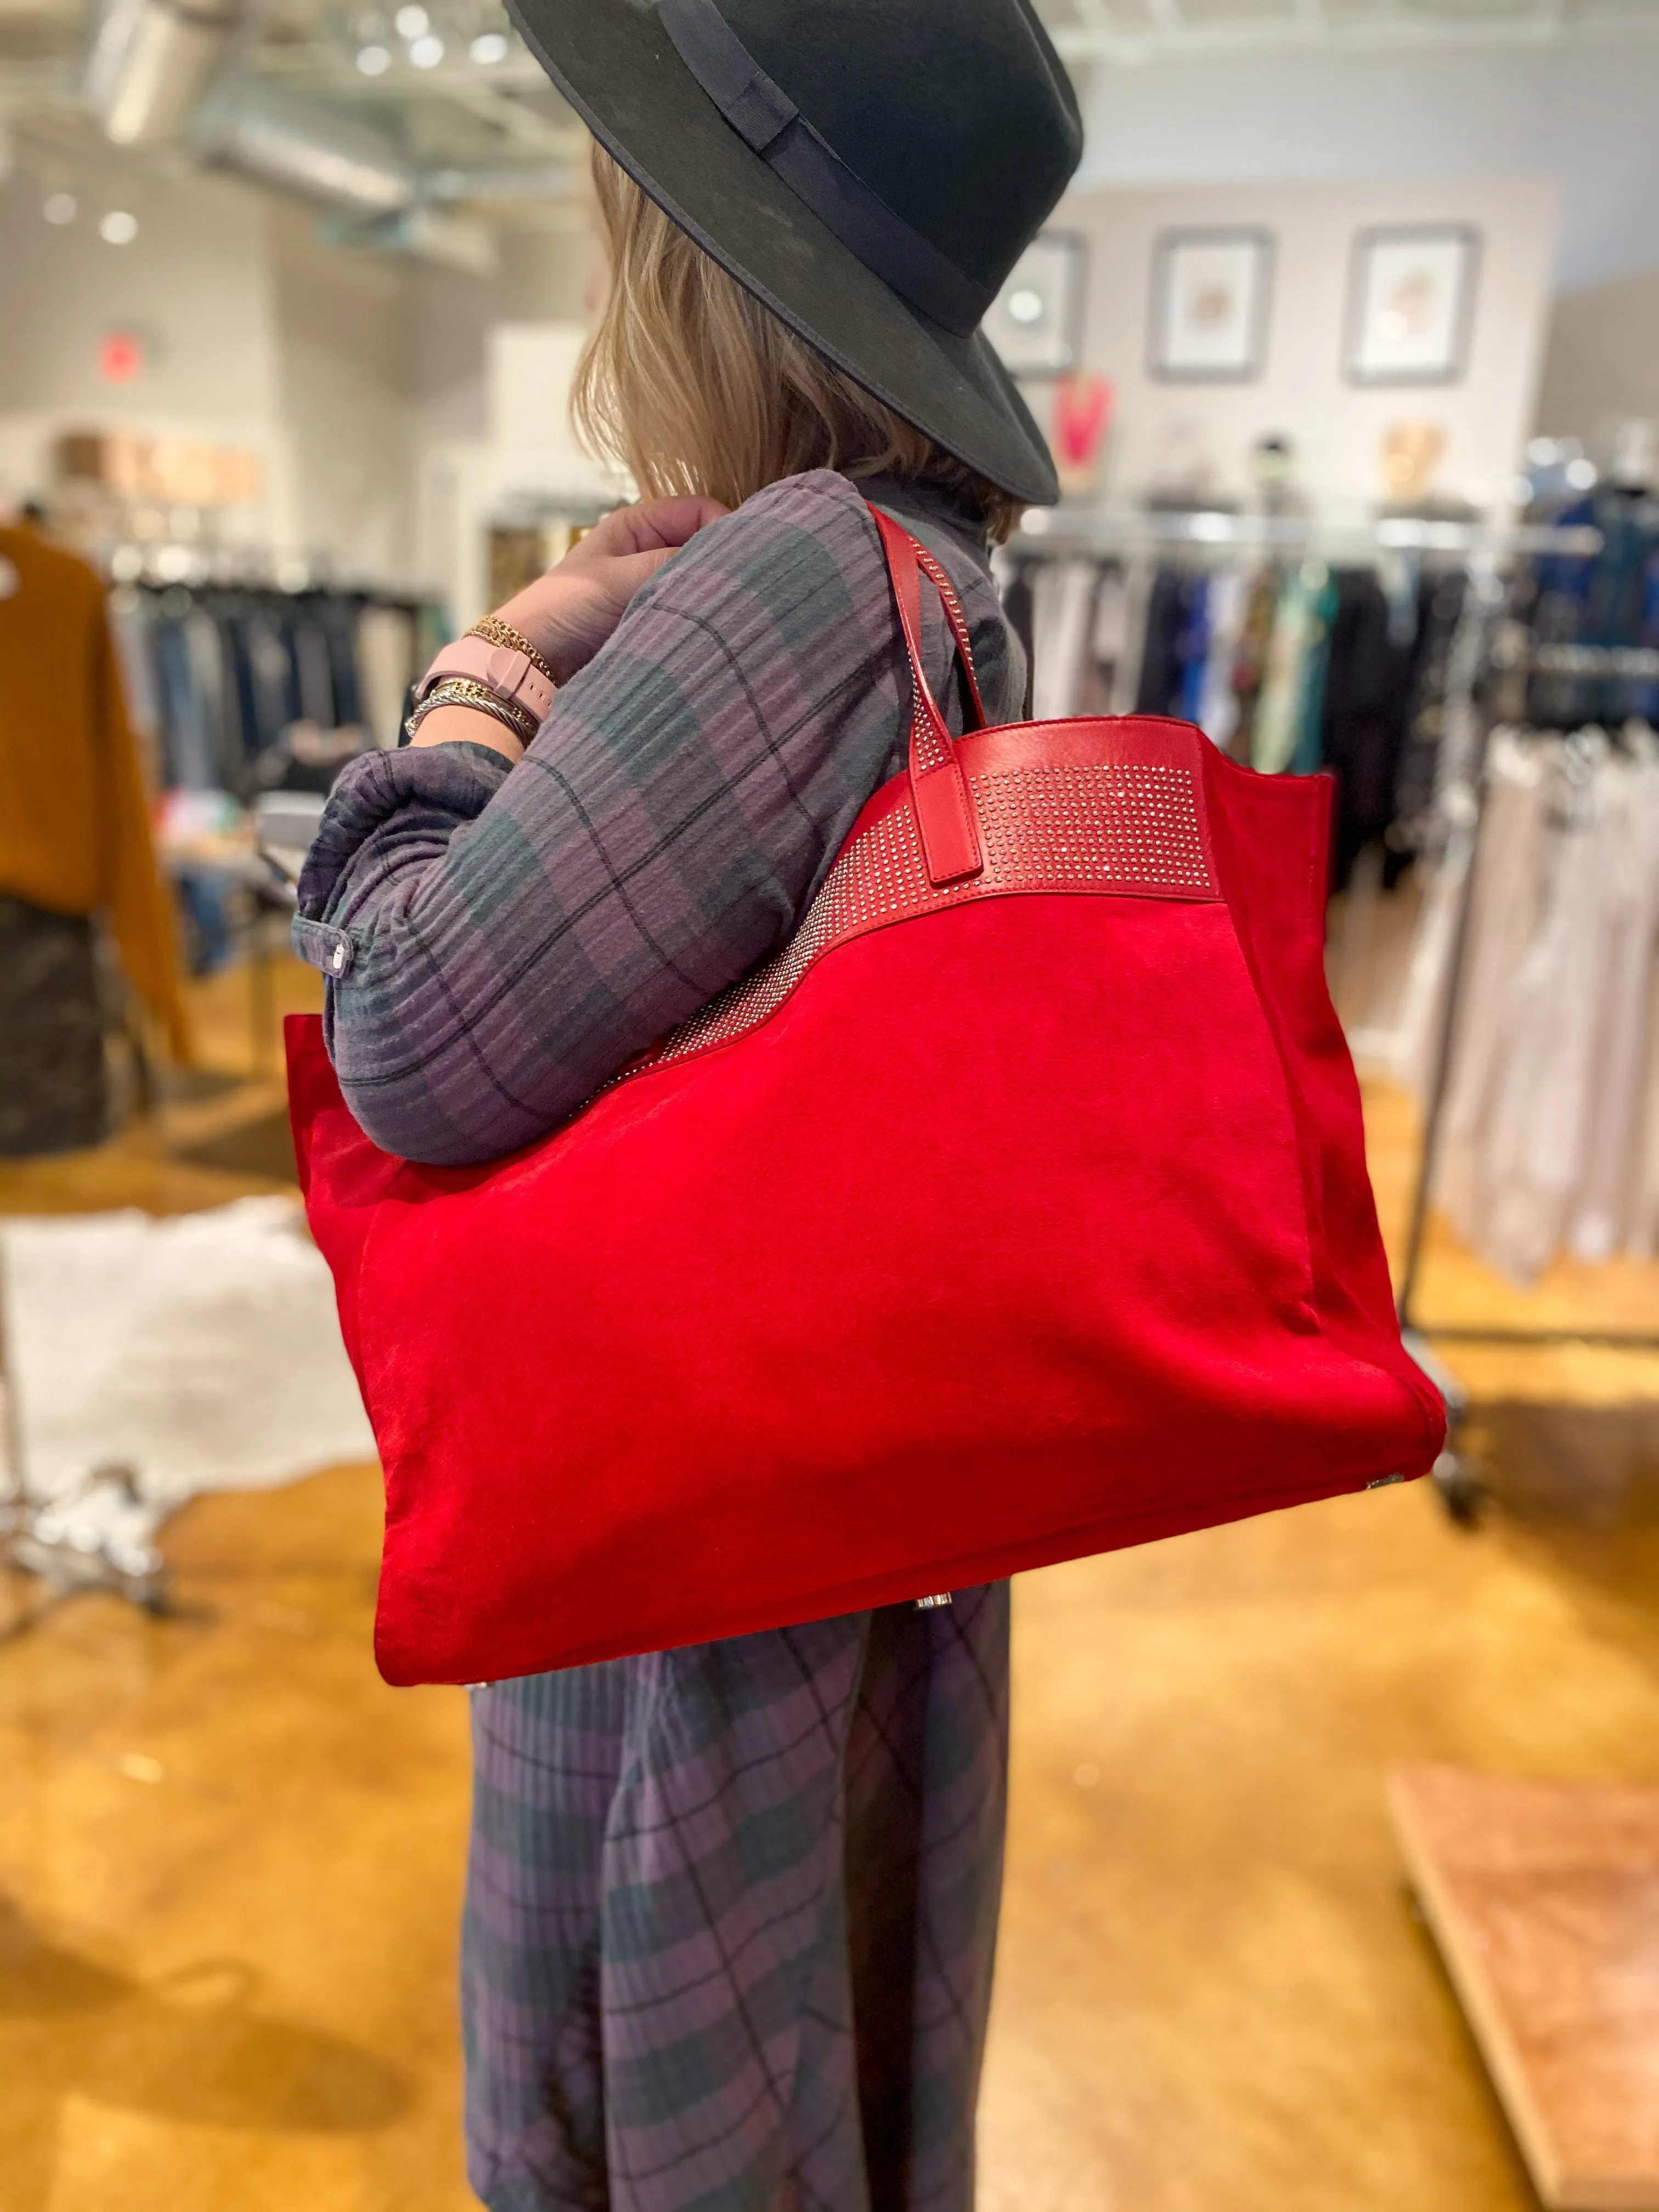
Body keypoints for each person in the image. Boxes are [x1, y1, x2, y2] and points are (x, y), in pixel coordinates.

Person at [295, 3, 1081, 2202]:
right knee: (806, 2052)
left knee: (639, 2102)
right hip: (844, 1505)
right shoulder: (939, 572)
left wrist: (482, 686)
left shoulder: (807, 569)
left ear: (691, 245)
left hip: (695, 1561)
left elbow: (417, 1030)